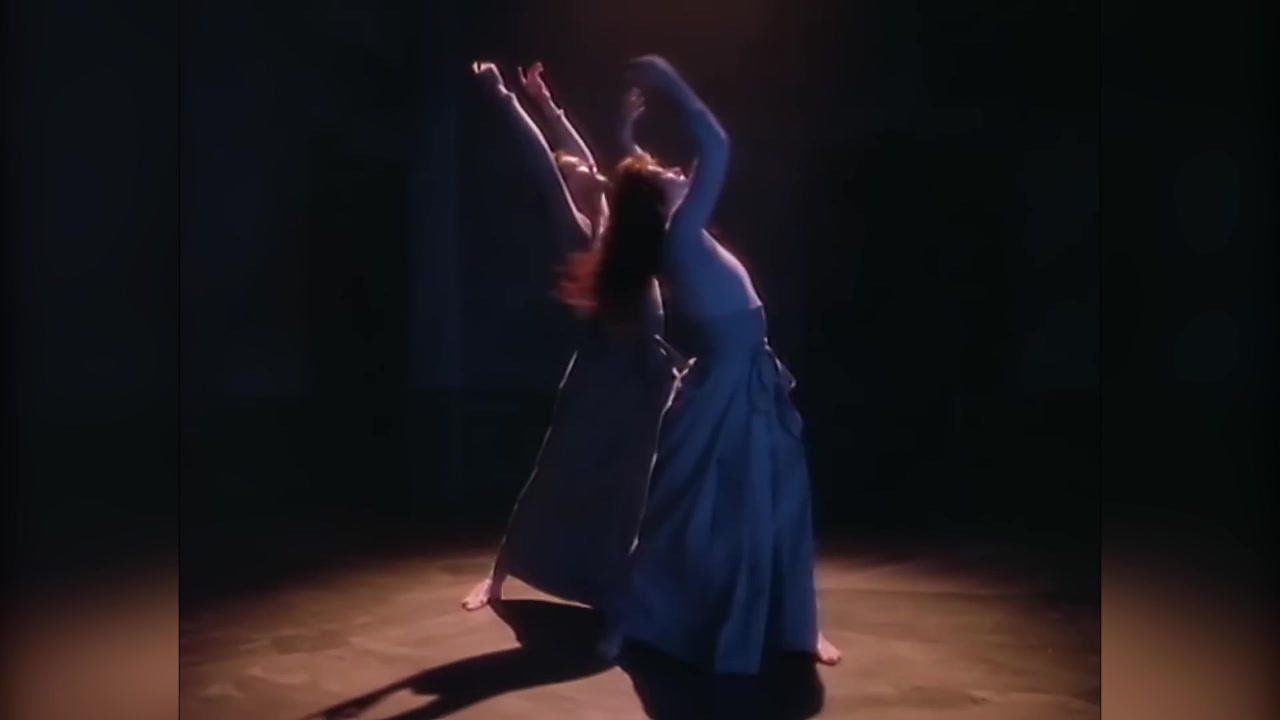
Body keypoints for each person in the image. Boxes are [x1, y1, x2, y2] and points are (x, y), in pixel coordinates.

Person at [579, 55, 842, 670]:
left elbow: (638, 186)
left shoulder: (667, 229)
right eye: (665, 173)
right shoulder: (680, 232)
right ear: (658, 200)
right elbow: (715, 146)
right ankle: (641, 620)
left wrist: (625, 134)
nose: (676, 169)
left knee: (762, 502)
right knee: (705, 510)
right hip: (729, 379)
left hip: (742, 374)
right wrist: (670, 82)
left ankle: (794, 627)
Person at [462, 61, 682, 613]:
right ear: (574, 193)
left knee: (629, 485)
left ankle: (615, 579)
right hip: (605, 375)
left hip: (640, 377)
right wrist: (503, 95)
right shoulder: (583, 233)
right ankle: (501, 572)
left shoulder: (618, 219)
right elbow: (543, 161)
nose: (585, 166)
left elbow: (570, 149)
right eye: (577, 173)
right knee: (560, 471)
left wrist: (545, 100)